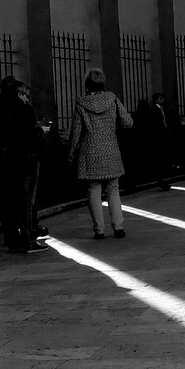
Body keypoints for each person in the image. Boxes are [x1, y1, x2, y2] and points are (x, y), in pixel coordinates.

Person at [0, 76, 48, 254]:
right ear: (18, 93)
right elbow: (26, 136)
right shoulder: (21, 109)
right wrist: (40, 131)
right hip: (25, 158)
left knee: (8, 200)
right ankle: (27, 238)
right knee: (26, 200)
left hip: (4, 160)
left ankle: (12, 238)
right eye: (25, 94)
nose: (27, 98)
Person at [67, 68, 133, 240]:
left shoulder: (81, 103)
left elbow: (75, 132)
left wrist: (71, 153)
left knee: (93, 190)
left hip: (89, 151)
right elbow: (128, 122)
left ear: (87, 84)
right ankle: (118, 227)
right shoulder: (113, 99)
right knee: (113, 189)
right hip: (111, 149)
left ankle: (99, 230)